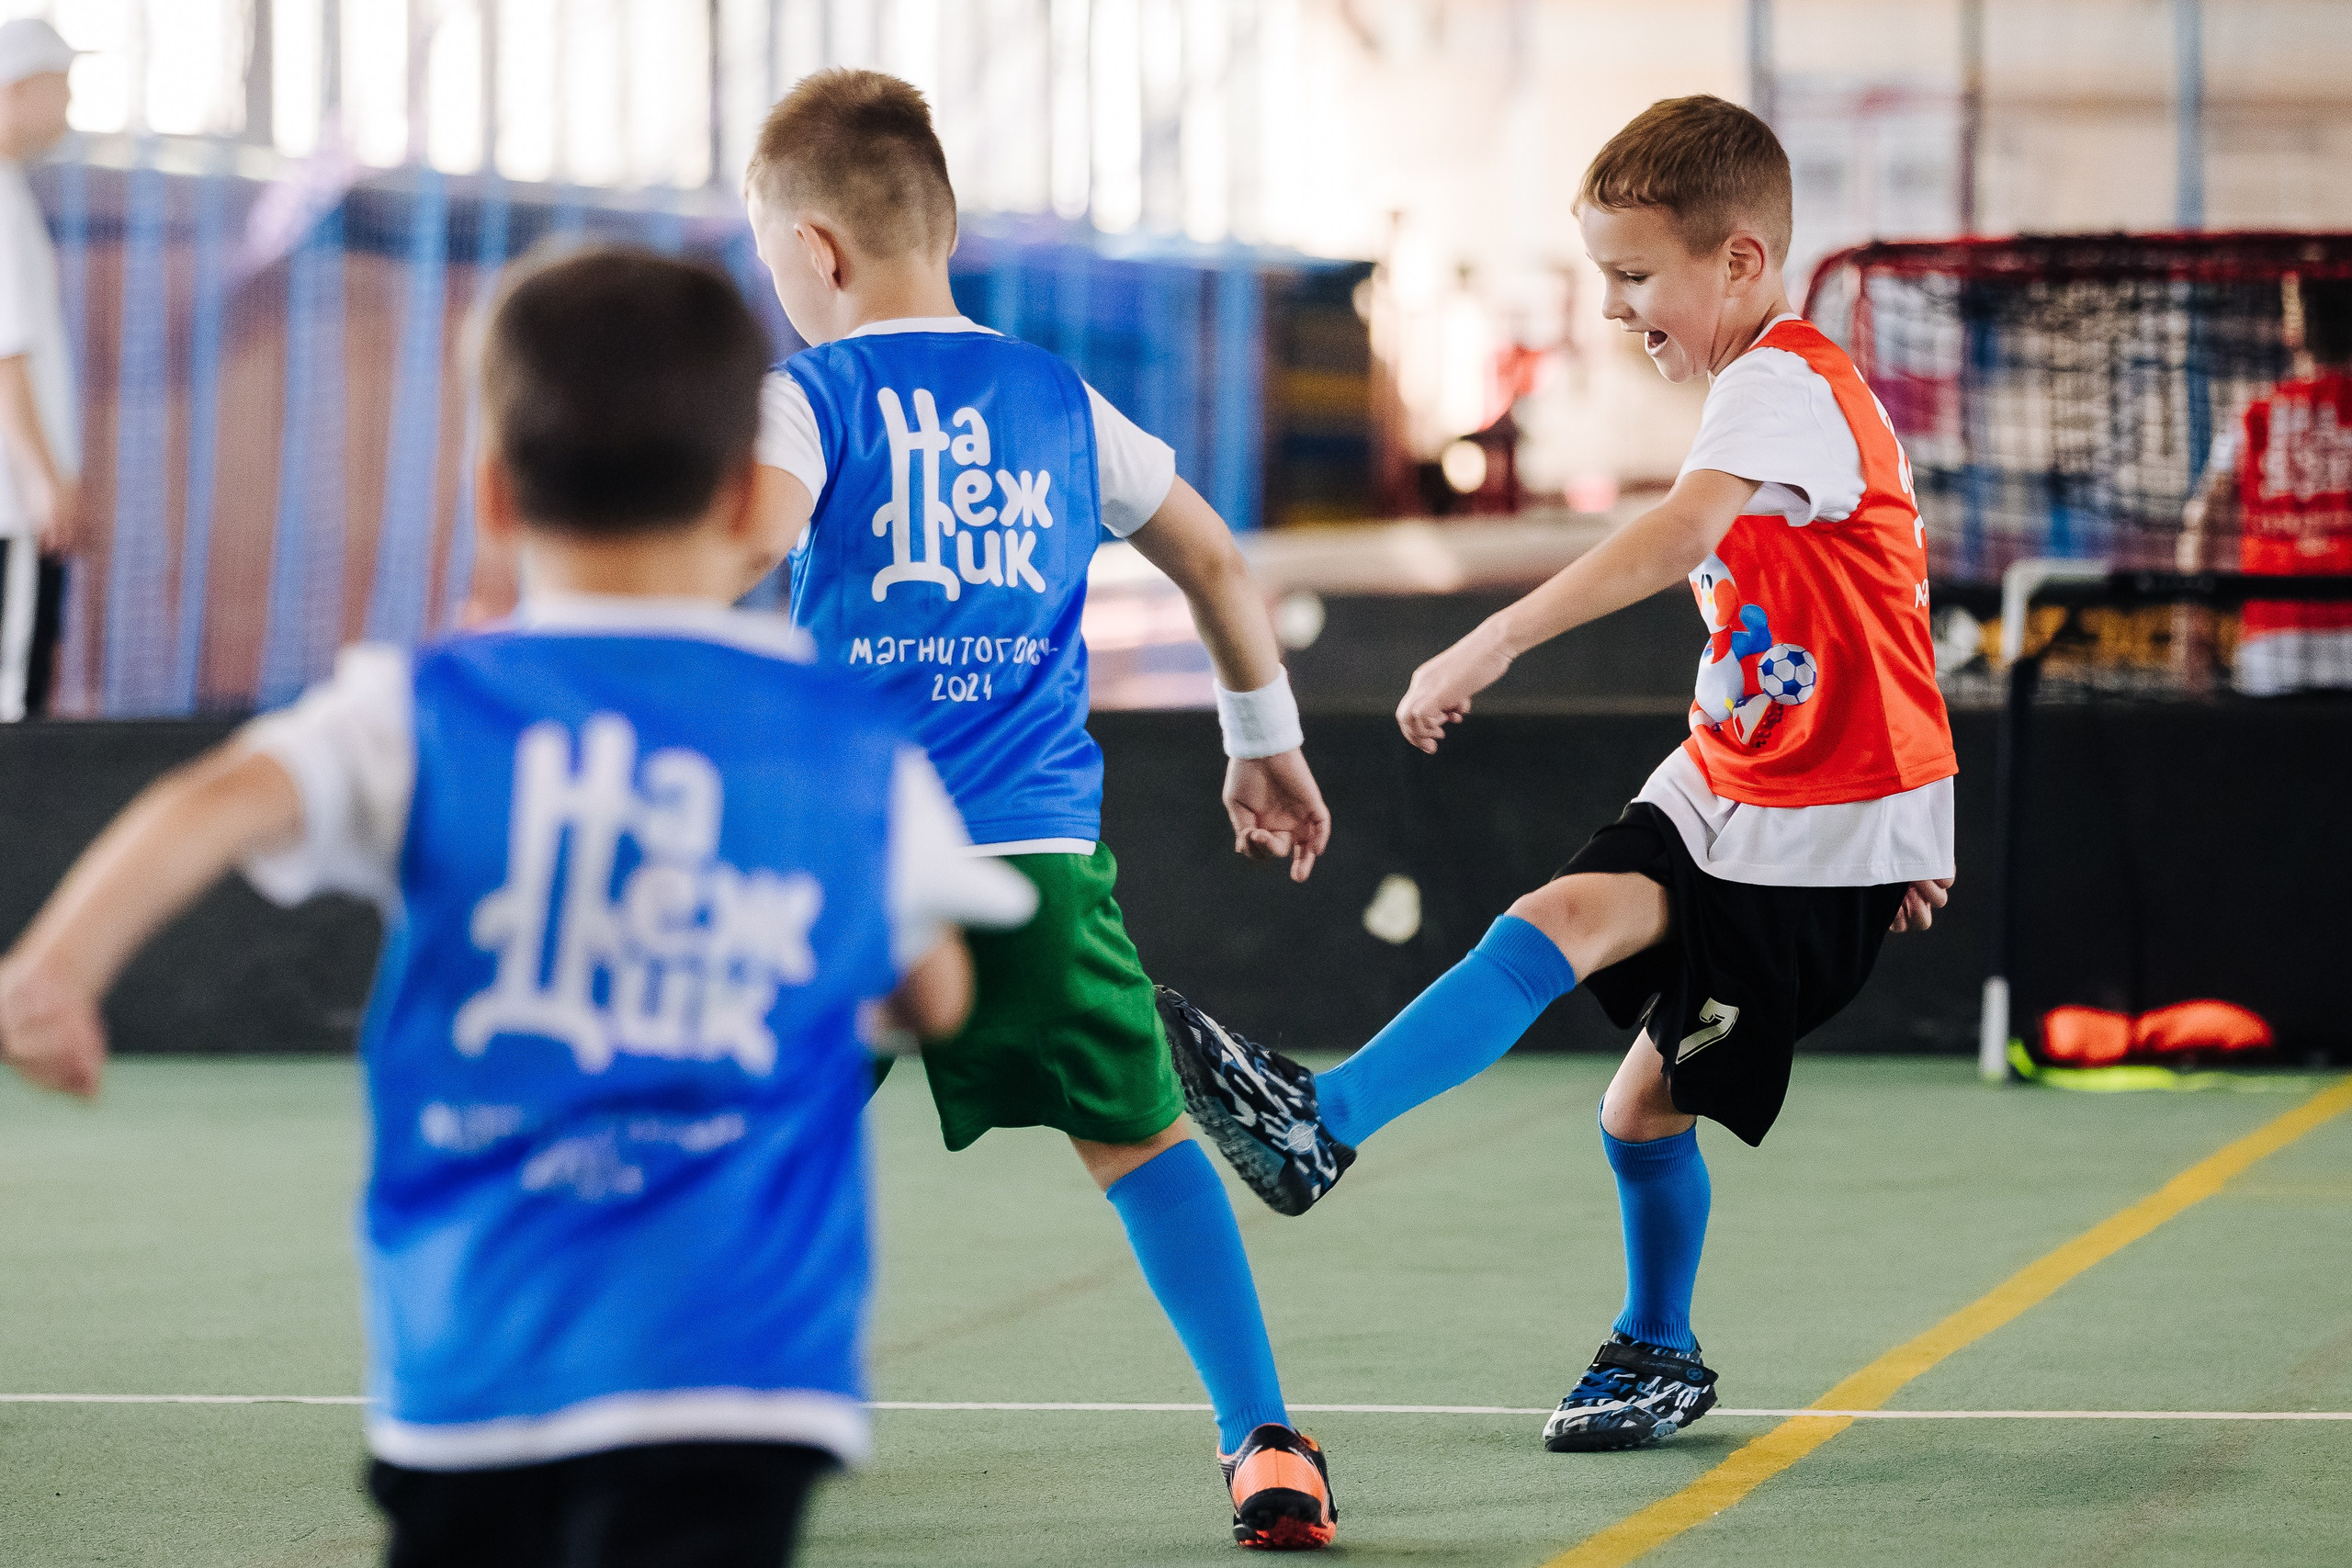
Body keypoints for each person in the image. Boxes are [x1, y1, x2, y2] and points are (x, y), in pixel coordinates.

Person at [0, 247, 1036, 1568]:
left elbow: (214, 799)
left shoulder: (424, 708)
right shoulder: (847, 736)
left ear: (491, 494)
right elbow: (935, 990)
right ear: (745, 496)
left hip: (475, 1361)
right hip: (741, 1369)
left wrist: (54, 969)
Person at [1161, 96, 1957, 1455]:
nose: (1611, 308)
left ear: (1740, 262)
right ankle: (1323, 1124)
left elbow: (1679, 537)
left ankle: (1658, 1341)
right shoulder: (1774, 393)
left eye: (1634, 276)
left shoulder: (1783, 383)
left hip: (1821, 828)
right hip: (1733, 776)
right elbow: (1883, 608)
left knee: (1640, 1107)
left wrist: (1491, 639)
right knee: (1558, 919)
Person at [743, 69, 1339, 1551]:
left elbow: (740, 541)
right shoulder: (1059, 399)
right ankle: (1265, 1442)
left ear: (814, 250)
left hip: (851, 874)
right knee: (1142, 1141)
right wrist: (1261, 737)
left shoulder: (808, 396)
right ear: (943, 228)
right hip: (1035, 863)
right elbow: (1213, 559)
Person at [0, 18, 82, 721]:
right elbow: (5, 354)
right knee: (13, 694)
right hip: (10, 505)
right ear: (17, 89)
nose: (69, 103)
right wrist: (39, 479)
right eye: (61, 85)